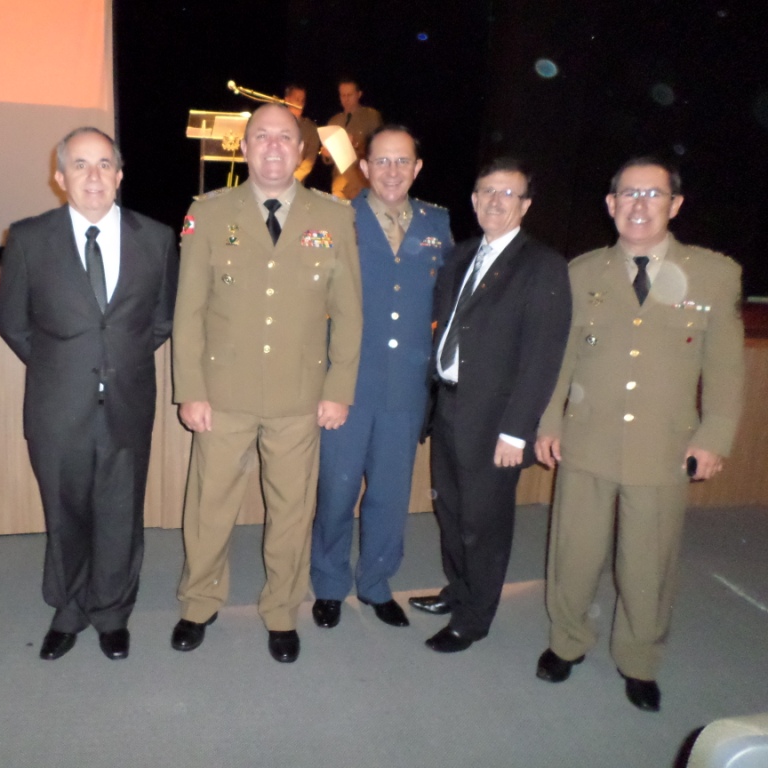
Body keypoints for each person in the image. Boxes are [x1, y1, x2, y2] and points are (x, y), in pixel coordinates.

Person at [533, 157, 744, 712]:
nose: (639, 204)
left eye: (653, 194)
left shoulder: (714, 273)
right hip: (587, 438)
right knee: (574, 552)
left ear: (676, 205)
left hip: (663, 444)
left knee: (648, 563)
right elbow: (561, 358)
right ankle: (567, 641)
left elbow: (725, 368)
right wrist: (550, 420)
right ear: (611, 204)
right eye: (628, 193)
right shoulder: (583, 272)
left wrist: (714, 436)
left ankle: (639, 659)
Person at [172, 103, 362, 663]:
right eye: (262, 136)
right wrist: (191, 389)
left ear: (301, 151)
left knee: (291, 511)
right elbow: (189, 310)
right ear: (245, 146)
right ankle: (199, 602)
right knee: (209, 507)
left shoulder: (333, 217)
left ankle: (281, 610)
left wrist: (338, 389)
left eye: (285, 137)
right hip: (222, 392)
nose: (273, 146)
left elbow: (349, 312)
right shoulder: (209, 212)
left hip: (298, 395)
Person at [0, 127, 177, 663]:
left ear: (119, 175)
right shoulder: (28, 238)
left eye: (104, 164)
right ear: (60, 177)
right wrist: (64, 366)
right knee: (65, 510)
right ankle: (69, 610)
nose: (93, 176)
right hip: (57, 405)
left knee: (121, 512)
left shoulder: (156, 238)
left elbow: (162, 319)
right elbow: (12, 320)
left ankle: (112, 612)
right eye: (80, 164)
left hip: (128, 401)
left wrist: (114, 362)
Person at [408, 157, 571, 653]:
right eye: (486, 192)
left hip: (496, 421)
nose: (495, 201)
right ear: (474, 199)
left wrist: (516, 431)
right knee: (452, 511)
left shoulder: (542, 265)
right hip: (448, 406)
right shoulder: (460, 256)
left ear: (525, 204)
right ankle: (458, 590)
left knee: (484, 523)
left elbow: (543, 357)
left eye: (508, 193)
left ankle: (474, 617)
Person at [310, 126, 453, 629]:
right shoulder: (336, 218)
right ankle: (329, 583)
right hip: (347, 384)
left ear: (417, 168)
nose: (393, 171)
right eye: (383, 161)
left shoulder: (438, 223)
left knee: (391, 495)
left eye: (403, 161)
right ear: (365, 167)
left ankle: (375, 583)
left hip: (406, 387)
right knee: (337, 491)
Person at [322, 78, 383, 199]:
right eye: (343, 95)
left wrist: (356, 144)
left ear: (359, 94)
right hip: (339, 182)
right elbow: (328, 158)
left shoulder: (371, 116)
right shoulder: (334, 121)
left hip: (361, 181)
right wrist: (327, 154)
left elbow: (379, 148)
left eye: (349, 95)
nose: (346, 99)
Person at [284, 84, 320, 184]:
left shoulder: (310, 128)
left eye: (302, 100)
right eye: (297, 99)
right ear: (287, 100)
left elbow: (309, 160)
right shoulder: (274, 122)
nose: (300, 103)